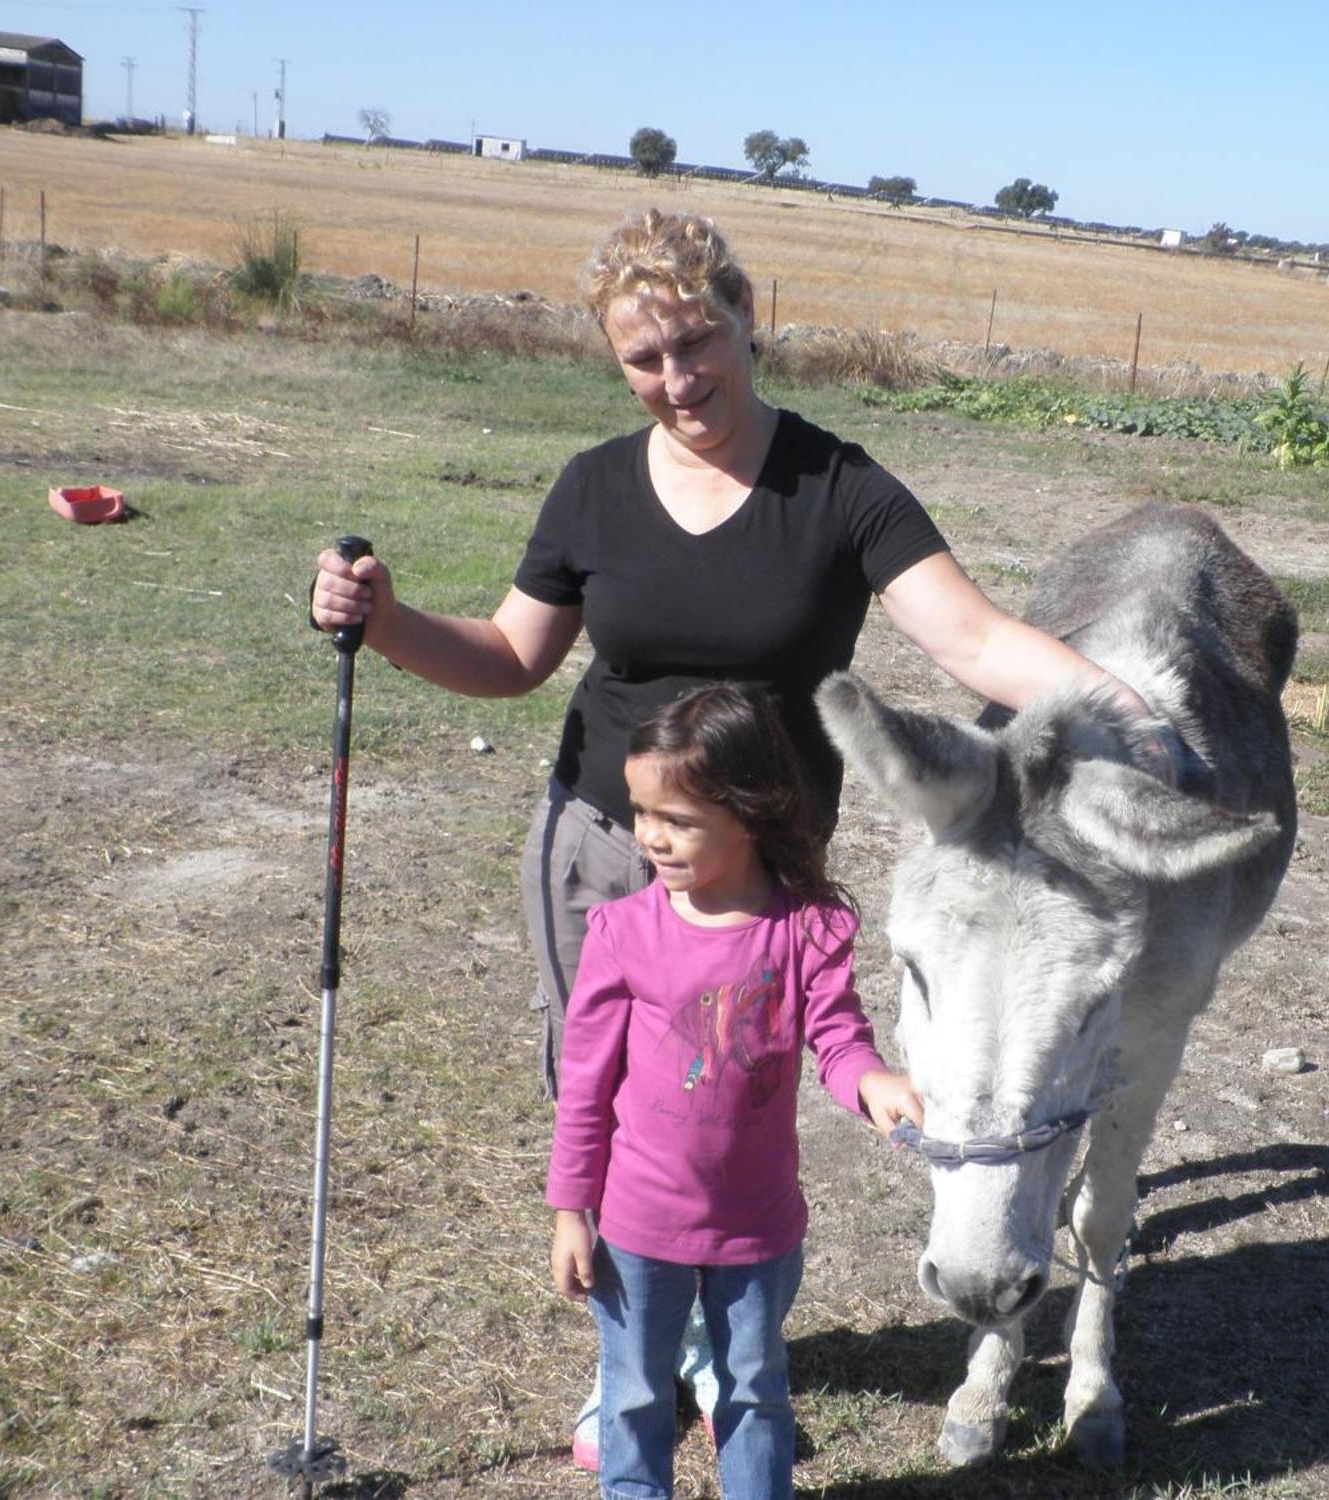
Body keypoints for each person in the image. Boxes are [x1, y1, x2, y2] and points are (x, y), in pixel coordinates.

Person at [308, 206, 1167, 1467]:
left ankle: (730, 1343)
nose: (675, 381)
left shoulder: (839, 487)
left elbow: (974, 638)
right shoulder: (594, 488)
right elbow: (507, 659)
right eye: (641, 360)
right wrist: (383, 623)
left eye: (695, 343)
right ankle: (643, 1363)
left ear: (748, 320)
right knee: (605, 1090)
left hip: (768, 869)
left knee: (739, 1095)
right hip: (608, 846)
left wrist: (1127, 711)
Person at [546, 682, 922, 1499]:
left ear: (749, 813)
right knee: (634, 1392)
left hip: (757, 1229)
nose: (651, 836)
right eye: (642, 812)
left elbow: (837, 1037)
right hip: (636, 1229)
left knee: (753, 1389)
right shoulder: (623, 934)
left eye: (676, 819)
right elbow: (583, 1087)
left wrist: (873, 1082)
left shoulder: (806, 930)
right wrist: (571, 1210)